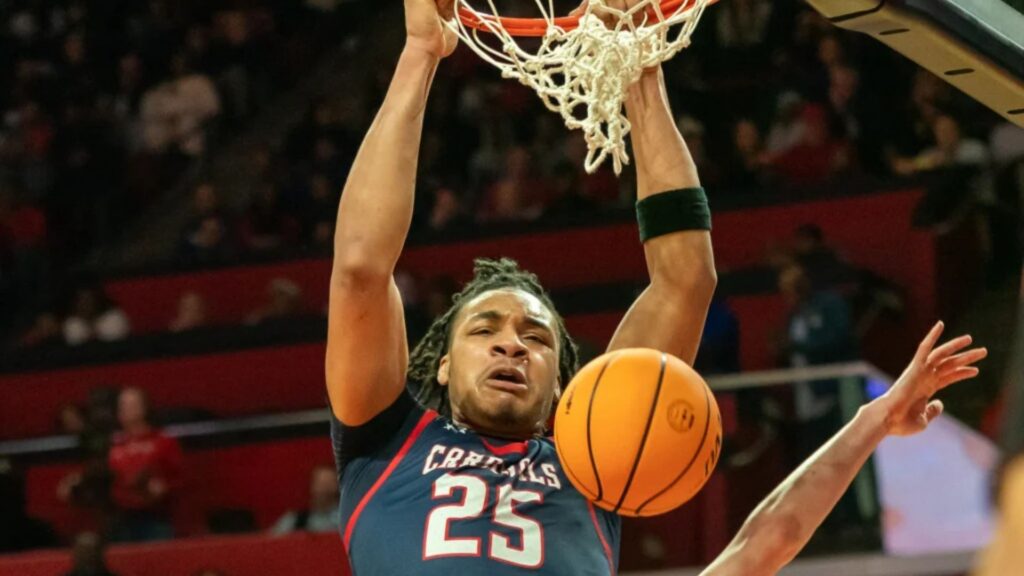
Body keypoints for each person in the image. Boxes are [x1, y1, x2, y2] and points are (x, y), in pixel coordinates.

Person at [325, 2, 986, 575]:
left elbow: (685, 282)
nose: (512, 345)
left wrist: (638, 64)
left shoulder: (599, 459)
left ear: (562, 387)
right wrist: (420, 53)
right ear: (441, 365)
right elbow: (360, 269)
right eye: (485, 329)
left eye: (536, 338)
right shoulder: (386, 441)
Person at [106, 387, 183, 542]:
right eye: (122, 405)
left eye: (131, 405)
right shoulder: (113, 444)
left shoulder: (163, 441)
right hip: (120, 518)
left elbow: (181, 477)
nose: (125, 410)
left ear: (144, 408)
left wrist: (164, 486)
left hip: (155, 516)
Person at [270, 464, 340, 535]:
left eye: (328, 483)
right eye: (320, 483)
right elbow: (270, 540)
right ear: (311, 486)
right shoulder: (295, 520)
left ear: (337, 486)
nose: (323, 488)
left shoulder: (344, 520)